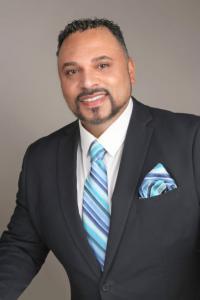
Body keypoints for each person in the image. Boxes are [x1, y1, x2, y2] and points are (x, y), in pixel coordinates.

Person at [0, 18, 200, 300]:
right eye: (72, 71)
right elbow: (22, 247)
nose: (88, 82)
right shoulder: (39, 159)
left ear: (130, 70)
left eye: (102, 65)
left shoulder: (191, 139)